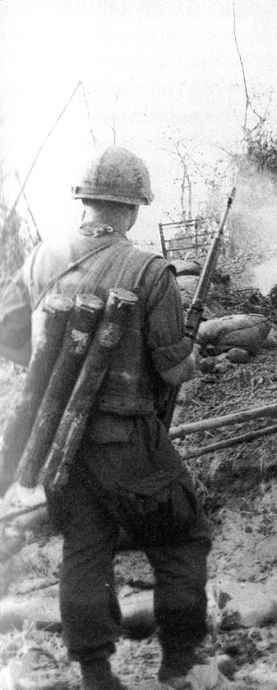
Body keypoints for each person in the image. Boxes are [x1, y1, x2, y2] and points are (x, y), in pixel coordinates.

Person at [0, 146, 215, 689]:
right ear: (135, 208)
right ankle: (177, 666)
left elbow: (8, 332)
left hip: (58, 441)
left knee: (85, 542)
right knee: (180, 536)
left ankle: (97, 673)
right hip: (127, 442)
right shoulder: (148, 269)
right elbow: (173, 370)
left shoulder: (43, 257)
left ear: (85, 200)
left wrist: (53, 374)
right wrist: (193, 352)